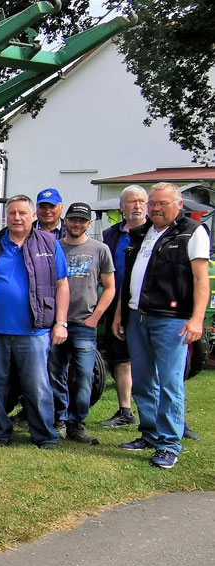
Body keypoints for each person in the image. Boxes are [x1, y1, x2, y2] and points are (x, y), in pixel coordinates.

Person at [113, 182, 210, 469]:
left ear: (178, 205)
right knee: (142, 381)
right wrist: (121, 313)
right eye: (152, 203)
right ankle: (150, 433)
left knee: (169, 383)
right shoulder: (140, 233)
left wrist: (197, 319)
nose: (154, 208)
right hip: (137, 315)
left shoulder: (192, 233)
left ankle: (169, 444)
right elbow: (128, 277)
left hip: (172, 320)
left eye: (162, 203)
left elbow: (200, 280)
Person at [0, 194, 70, 449]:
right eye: (12, 213)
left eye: (22, 213)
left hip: (34, 330)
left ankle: (45, 435)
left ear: (33, 216)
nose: (17, 218)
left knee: (38, 387)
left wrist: (60, 323)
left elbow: (62, 285)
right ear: (6, 217)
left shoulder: (49, 243)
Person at [49, 202, 114, 444]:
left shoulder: (100, 249)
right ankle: (59, 420)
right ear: (65, 221)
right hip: (57, 322)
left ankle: (78, 423)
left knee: (85, 376)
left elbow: (110, 288)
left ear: (89, 223)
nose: (76, 224)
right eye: (72, 219)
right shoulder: (54, 247)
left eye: (81, 220)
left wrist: (95, 317)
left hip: (85, 324)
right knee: (56, 373)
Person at [100, 185, 147, 428]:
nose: (137, 206)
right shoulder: (110, 236)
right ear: (122, 207)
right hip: (114, 305)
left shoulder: (156, 232)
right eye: (131, 202)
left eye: (141, 201)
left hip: (146, 306)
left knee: (152, 361)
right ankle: (125, 410)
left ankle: (161, 414)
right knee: (121, 359)